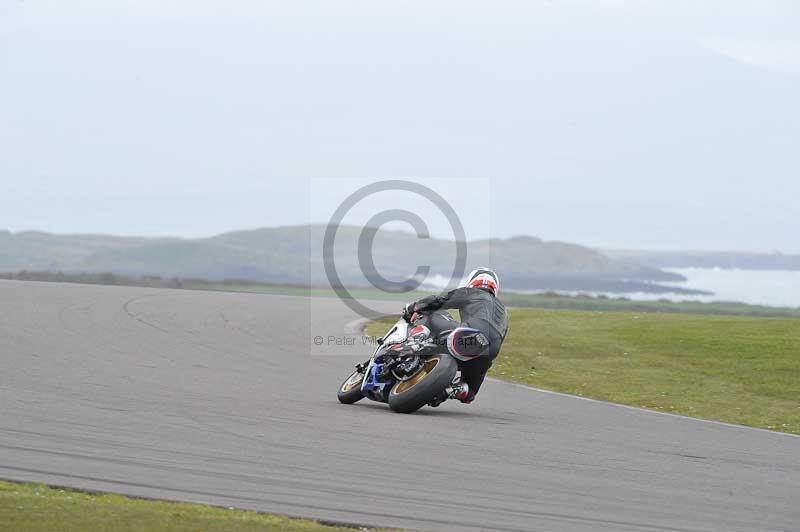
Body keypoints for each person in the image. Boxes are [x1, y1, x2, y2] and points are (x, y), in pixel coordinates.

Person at [401, 268, 508, 405]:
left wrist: (414, 307)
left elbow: (439, 300)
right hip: (490, 350)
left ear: (472, 282)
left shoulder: (471, 292)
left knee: (433, 312)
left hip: (470, 334)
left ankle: (416, 342)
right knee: (470, 393)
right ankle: (454, 390)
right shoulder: (503, 311)